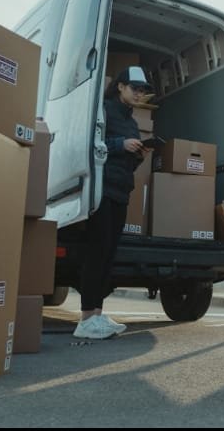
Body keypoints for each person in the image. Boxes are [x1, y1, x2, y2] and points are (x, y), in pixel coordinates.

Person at [73, 65, 154, 340]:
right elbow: (88, 144)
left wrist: (138, 155)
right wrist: (121, 144)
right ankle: (86, 319)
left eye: (143, 91)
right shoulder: (104, 110)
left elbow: (127, 162)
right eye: (135, 88)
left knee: (108, 253)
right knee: (96, 252)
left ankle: (97, 314)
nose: (139, 94)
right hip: (101, 189)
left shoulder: (132, 122)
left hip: (121, 190)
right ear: (120, 86)